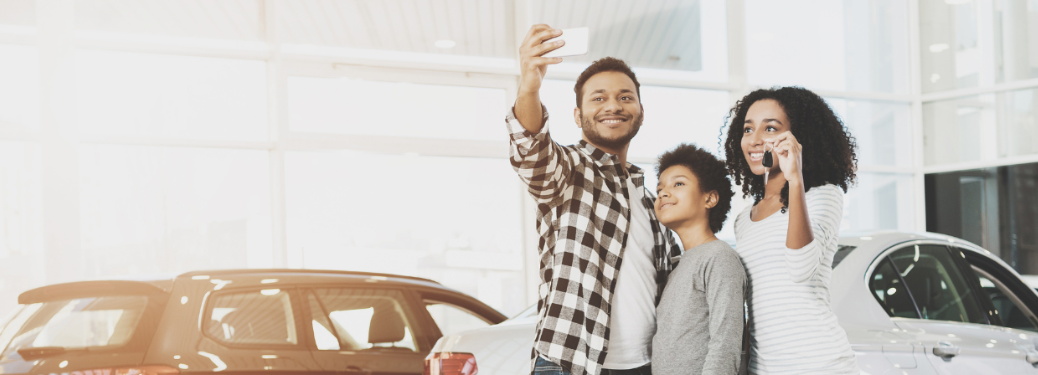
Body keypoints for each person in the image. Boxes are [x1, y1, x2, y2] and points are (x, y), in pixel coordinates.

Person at [509, 24, 680, 375]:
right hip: (571, 361)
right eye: (598, 98)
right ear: (578, 116)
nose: (613, 105)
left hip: (647, 365)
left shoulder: (651, 201)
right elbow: (531, 151)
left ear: (641, 112)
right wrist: (529, 85)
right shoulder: (568, 169)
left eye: (625, 97)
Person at [723, 87, 860, 374]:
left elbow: (800, 268)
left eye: (770, 128)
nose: (755, 139)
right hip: (765, 368)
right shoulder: (744, 219)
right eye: (748, 130)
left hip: (819, 364)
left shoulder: (823, 195)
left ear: (798, 138)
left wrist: (795, 180)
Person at [651, 143, 745, 375]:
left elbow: (726, 343)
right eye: (659, 188)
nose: (663, 193)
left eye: (679, 184)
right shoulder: (678, 266)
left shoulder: (719, 257)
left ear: (710, 199)